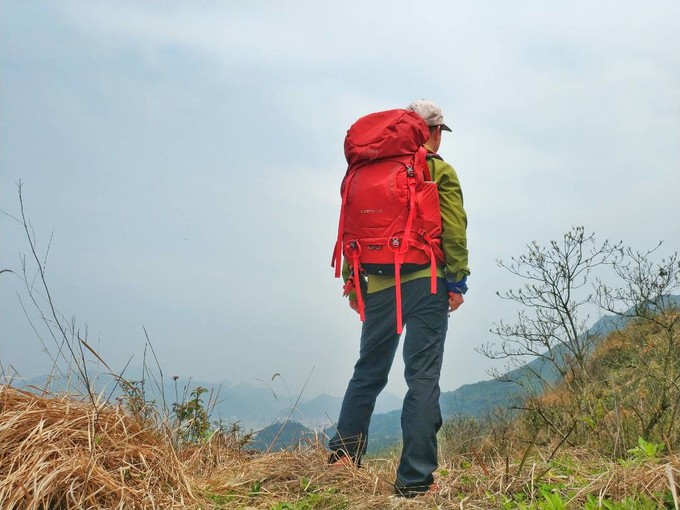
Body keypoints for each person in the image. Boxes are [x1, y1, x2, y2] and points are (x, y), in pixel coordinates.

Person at [328, 100, 470, 497]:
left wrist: (353, 285)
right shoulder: (437, 170)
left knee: (368, 371)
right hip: (425, 280)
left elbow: (349, 230)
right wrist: (456, 283)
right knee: (421, 376)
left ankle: (342, 458)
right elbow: (454, 229)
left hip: (375, 280)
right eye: (439, 131)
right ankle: (415, 480)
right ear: (430, 132)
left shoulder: (364, 171)